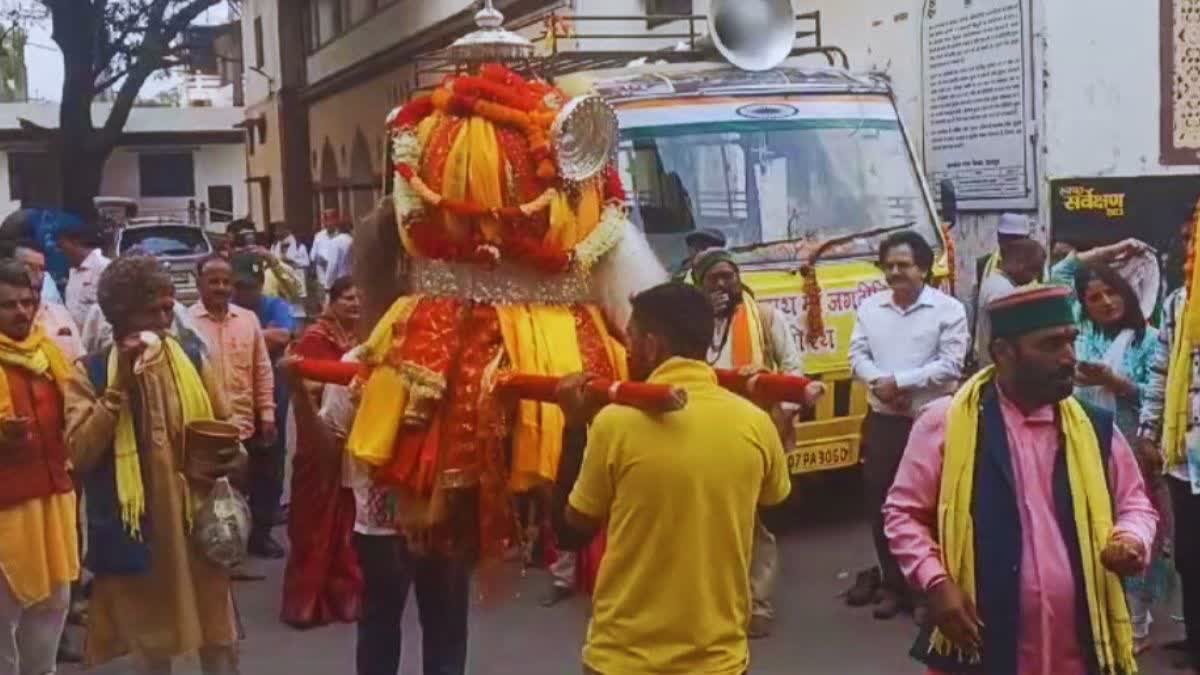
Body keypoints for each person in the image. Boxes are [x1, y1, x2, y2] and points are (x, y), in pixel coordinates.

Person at [884, 285, 1157, 675]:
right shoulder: (948, 424)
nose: (1068, 358)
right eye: (1050, 345)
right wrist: (935, 582)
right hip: (979, 646)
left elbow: (1135, 504)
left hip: (1080, 650)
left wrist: (1131, 539)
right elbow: (902, 513)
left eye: (1070, 341)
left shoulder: (1094, 428)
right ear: (1003, 354)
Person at [558, 282, 790, 675]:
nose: (626, 350)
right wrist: (773, 424)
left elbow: (570, 533)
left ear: (651, 346)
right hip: (718, 660)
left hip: (622, 660)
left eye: (630, 338)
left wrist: (574, 428)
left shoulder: (616, 424)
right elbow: (778, 513)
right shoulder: (754, 423)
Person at [63, 255, 238, 674]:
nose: (166, 319)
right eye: (154, 310)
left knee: (219, 641)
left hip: (197, 527)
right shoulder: (90, 373)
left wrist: (230, 456)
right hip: (138, 533)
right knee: (151, 648)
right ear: (123, 316)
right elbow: (80, 452)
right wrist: (119, 386)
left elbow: (225, 426)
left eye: (169, 307)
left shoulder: (191, 358)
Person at [691, 247, 817, 638]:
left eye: (729, 276)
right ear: (699, 285)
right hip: (701, 433)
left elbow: (794, 369)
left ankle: (757, 601)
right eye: (714, 279)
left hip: (753, 433)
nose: (724, 285)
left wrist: (778, 412)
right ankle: (714, 602)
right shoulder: (690, 326)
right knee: (708, 521)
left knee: (754, 520)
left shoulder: (764, 317)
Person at [846, 230, 969, 620]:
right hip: (884, 421)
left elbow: (951, 366)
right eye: (889, 266)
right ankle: (893, 585)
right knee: (883, 504)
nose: (895, 272)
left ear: (924, 268)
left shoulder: (949, 310)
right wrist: (880, 385)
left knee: (930, 507)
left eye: (904, 265)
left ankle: (928, 591)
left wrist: (898, 382)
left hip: (930, 423)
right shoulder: (870, 308)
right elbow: (856, 356)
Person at [0, 260, 80, 675]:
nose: (22, 312)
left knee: (52, 608)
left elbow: (78, 410)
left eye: (28, 302)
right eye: (9, 305)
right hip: (6, 509)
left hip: (53, 500)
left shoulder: (48, 353)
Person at [279, 276, 362, 629]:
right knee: (313, 517)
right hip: (314, 430)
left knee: (346, 512)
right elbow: (303, 382)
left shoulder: (359, 339)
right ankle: (307, 601)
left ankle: (342, 593)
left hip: (350, 432)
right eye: (347, 298)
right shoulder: (315, 338)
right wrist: (338, 383)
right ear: (331, 301)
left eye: (359, 298)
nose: (355, 304)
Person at [1137, 219, 1200, 674]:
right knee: (1189, 554)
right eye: (1185, 240)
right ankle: (1194, 639)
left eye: (1194, 240)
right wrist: (1148, 430)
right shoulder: (1180, 302)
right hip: (1184, 457)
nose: (1187, 248)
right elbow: (1161, 370)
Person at [188, 255, 280, 558]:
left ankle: (256, 538)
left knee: (257, 481)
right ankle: (216, 545)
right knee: (211, 491)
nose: (221, 287)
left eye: (226, 282)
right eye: (213, 281)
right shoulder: (186, 324)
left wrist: (267, 412)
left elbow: (262, 369)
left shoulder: (248, 320)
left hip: (245, 421)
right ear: (199, 282)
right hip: (206, 428)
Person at [3, 240, 82, 362]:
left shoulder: (60, 314)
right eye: (28, 266)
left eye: (41, 269)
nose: (37, 274)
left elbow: (80, 359)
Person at [973, 238, 1045, 368]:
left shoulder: (994, 281)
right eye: (1034, 270)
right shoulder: (1004, 292)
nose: (1034, 278)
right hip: (1000, 369)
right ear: (1020, 264)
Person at [57, 224, 110, 329]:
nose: (61, 251)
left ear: (75, 242)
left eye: (62, 246)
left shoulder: (104, 267)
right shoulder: (73, 271)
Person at [269, 222, 311, 322]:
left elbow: (306, 263)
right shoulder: (275, 245)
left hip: (294, 279)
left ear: (287, 230)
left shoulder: (298, 245)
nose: (276, 233)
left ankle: (299, 329)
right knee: (283, 308)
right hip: (279, 281)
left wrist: (291, 261)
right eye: (276, 231)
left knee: (297, 309)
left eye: (279, 230)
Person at [311, 209, 352, 299]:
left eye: (329, 219)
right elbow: (313, 256)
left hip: (337, 281)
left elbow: (333, 264)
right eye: (324, 220)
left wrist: (328, 284)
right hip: (322, 280)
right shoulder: (318, 236)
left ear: (336, 220)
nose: (327, 223)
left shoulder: (339, 239)